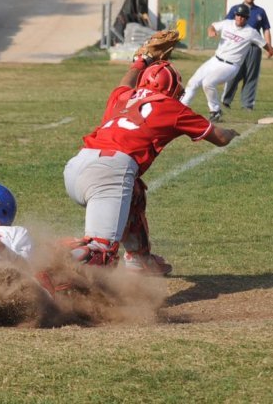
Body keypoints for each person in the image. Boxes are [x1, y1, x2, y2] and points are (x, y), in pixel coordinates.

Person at [63, 57, 240, 276]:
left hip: (77, 166)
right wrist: (231, 133)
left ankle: (140, 261)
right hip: (109, 172)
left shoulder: (123, 96)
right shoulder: (172, 107)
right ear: (170, 89)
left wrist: (140, 62)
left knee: (135, 193)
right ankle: (49, 266)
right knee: (101, 253)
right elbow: (219, 138)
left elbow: (125, 82)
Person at [180, 4, 273, 121]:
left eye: (243, 16)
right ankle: (180, 109)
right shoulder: (227, 23)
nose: (239, 18)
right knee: (193, 81)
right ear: (235, 15)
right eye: (238, 15)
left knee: (208, 83)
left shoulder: (251, 32)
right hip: (215, 59)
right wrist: (211, 31)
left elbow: (266, 46)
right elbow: (212, 26)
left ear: (247, 18)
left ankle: (215, 111)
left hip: (230, 66)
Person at [220, 0, 272, 111]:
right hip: (237, 46)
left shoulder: (260, 11)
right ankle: (226, 100)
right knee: (234, 72)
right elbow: (227, 26)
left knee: (251, 76)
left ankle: (247, 104)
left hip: (254, 48)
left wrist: (269, 47)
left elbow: (266, 29)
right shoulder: (235, 9)